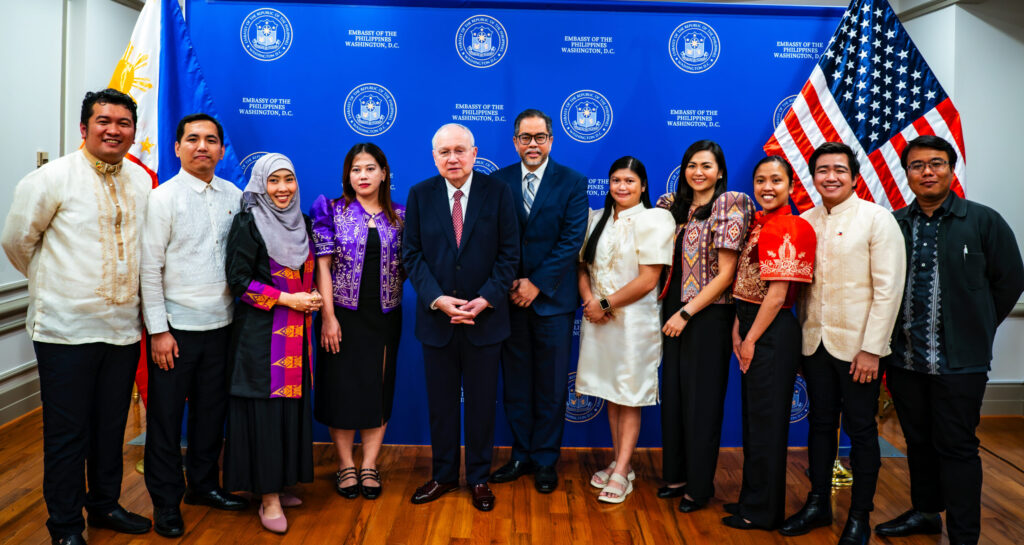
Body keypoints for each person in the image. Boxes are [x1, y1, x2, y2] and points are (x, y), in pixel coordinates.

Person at [1, 89, 152, 545]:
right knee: (67, 435)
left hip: (123, 330)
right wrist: (59, 284)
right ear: (84, 128)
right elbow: (16, 243)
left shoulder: (141, 182)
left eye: (123, 122)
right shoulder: (49, 179)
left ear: (133, 131)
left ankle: (104, 505)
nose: (114, 129)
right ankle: (65, 526)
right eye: (103, 121)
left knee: (110, 429)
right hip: (65, 331)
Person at [875, 136, 1024, 545]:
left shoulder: (982, 221)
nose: (927, 171)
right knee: (918, 443)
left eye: (936, 163)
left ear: (951, 169)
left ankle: (964, 534)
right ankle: (925, 513)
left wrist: (977, 324)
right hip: (904, 361)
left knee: (957, 447)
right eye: (917, 165)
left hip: (961, 363)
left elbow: (1010, 279)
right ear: (906, 174)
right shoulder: (894, 224)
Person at [780, 142, 906, 545]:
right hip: (814, 343)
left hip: (859, 351)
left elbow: (889, 290)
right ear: (812, 176)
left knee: (862, 431)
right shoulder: (805, 221)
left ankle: (859, 517)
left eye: (838, 170)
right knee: (819, 425)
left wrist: (872, 348)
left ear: (854, 177)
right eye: (822, 170)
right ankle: (818, 503)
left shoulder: (876, 219)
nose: (830, 177)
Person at [139, 113, 246, 537]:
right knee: (165, 420)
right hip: (175, 331)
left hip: (223, 326)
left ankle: (204, 486)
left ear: (222, 150)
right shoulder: (162, 199)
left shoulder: (234, 195)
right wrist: (159, 330)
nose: (203, 146)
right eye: (193, 139)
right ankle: (166, 502)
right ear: (178, 147)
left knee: (210, 413)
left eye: (211, 140)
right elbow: (149, 269)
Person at [403, 123, 519, 512]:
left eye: (459, 150)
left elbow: (509, 256)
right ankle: (444, 475)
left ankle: (480, 478)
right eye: (443, 152)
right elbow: (412, 256)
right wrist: (438, 299)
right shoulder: (420, 195)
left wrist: (485, 299)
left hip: (485, 320)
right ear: (434, 156)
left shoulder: (498, 193)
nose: (452, 158)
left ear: (474, 153)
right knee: (442, 404)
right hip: (437, 321)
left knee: (483, 404)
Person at [489, 109, 589, 493]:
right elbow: (495, 238)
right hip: (510, 299)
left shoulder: (573, 182)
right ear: (515, 142)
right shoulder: (497, 182)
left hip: (552, 303)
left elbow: (570, 242)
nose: (533, 144)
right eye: (526, 138)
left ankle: (546, 460)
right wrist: (513, 283)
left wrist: (537, 284)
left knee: (549, 386)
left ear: (551, 140)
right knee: (515, 384)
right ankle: (520, 455)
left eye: (540, 137)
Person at [223, 153, 319, 534]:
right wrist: (287, 300)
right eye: (273, 181)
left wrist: (310, 297)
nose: (282, 189)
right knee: (263, 416)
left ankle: (279, 483)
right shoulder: (248, 222)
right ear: (260, 185)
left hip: (297, 338)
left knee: (287, 415)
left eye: (289, 180)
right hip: (260, 339)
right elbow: (238, 281)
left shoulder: (305, 224)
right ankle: (267, 498)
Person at [656, 140, 754, 512]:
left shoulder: (730, 204)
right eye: (692, 165)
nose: (699, 172)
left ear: (720, 171)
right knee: (676, 398)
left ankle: (699, 487)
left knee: (702, 402)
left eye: (707, 166)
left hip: (707, 314)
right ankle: (676, 475)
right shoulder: (670, 206)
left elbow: (727, 273)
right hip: (671, 311)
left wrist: (687, 313)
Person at [723, 156, 816, 530]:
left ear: (791, 186)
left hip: (772, 331)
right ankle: (752, 498)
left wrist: (750, 340)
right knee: (754, 421)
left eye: (776, 180)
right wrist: (736, 327)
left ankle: (764, 511)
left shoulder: (790, 226)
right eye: (760, 180)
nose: (767, 187)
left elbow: (777, 296)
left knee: (767, 424)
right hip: (751, 324)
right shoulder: (759, 225)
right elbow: (746, 286)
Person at [576, 156, 675, 503]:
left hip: (634, 322)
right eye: (616, 180)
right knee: (610, 392)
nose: (622, 186)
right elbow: (583, 267)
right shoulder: (597, 218)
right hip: (599, 321)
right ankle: (621, 462)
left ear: (643, 186)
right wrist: (590, 301)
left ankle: (622, 471)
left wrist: (605, 304)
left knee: (629, 394)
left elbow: (649, 279)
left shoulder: (654, 219)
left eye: (630, 181)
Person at [310, 142, 405, 500]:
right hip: (342, 316)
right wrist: (328, 318)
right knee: (342, 390)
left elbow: (412, 267)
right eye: (355, 169)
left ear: (384, 173)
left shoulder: (402, 215)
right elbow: (322, 266)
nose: (362, 176)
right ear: (347, 175)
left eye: (369, 168)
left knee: (378, 391)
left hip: (384, 317)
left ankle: (369, 464)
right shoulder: (331, 210)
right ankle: (345, 464)